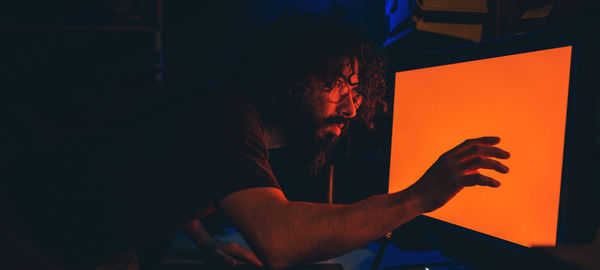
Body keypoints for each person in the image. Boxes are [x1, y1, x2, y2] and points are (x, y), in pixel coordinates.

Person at [0, 10, 510, 270]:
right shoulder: (227, 113)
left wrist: (205, 244)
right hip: (35, 239)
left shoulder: (227, 118)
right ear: (296, 72)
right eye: (337, 82)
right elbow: (280, 239)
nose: (352, 106)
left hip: (94, 241)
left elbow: (169, 166)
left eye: (358, 91)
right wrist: (420, 196)